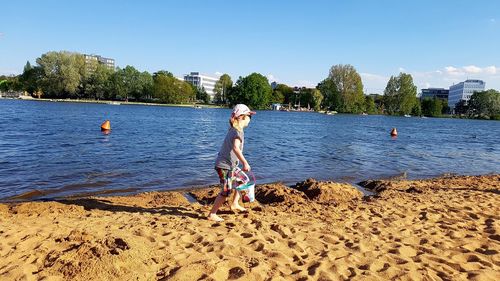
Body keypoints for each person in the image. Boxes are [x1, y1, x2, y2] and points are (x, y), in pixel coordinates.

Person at [208, 104, 256, 222]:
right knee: (226, 191)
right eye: (250, 116)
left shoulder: (234, 129)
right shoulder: (237, 131)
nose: (250, 119)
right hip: (225, 167)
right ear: (242, 117)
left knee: (243, 180)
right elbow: (235, 148)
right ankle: (212, 214)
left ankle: (234, 203)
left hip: (231, 166)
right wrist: (245, 163)